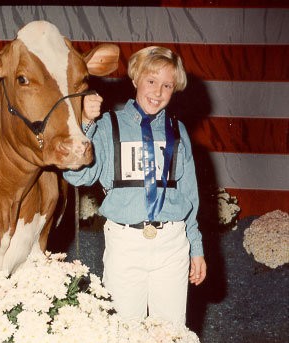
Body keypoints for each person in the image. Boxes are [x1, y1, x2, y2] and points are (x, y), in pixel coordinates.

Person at [64, 46, 206, 325]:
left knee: (171, 334)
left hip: (172, 243)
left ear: (175, 89)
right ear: (135, 80)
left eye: (167, 85)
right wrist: (85, 124)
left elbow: (189, 195)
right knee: (124, 331)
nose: (158, 92)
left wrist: (196, 247)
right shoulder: (107, 125)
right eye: (151, 81)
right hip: (125, 242)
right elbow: (77, 177)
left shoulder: (178, 130)